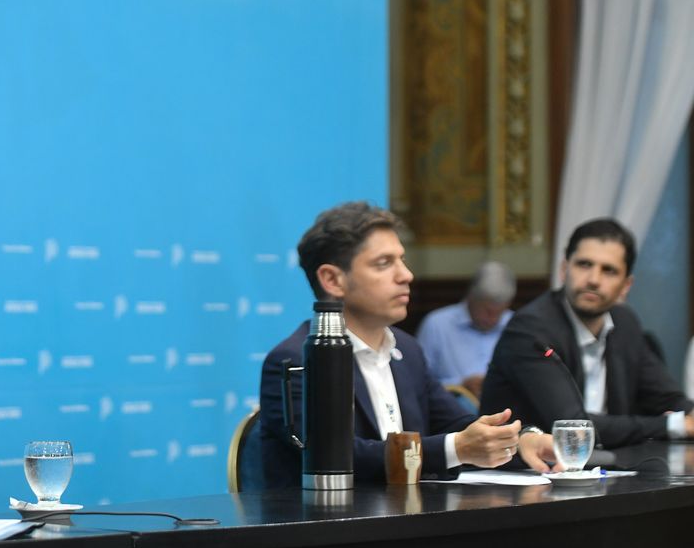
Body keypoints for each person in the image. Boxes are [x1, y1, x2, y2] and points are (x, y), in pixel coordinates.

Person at [258, 202, 554, 486]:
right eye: (384, 264)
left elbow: (457, 424)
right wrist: (456, 449)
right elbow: (341, 456)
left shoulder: (407, 350)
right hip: (331, 530)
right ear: (333, 280)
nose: (406, 275)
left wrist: (523, 438)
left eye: (402, 259)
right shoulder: (296, 359)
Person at [482, 218, 694, 448]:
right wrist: (674, 425)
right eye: (584, 265)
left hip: (607, 467)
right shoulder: (530, 329)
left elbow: (667, 397)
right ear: (564, 270)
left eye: (609, 271)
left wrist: (690, 413)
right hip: (527, 472)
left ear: (626, 286)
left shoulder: (625, 323)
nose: (593, 280)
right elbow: (573, 429)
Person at [416, 261, 516, 396]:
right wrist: (460, 385)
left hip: (506, 410)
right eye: (487, 311)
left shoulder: (516, 325)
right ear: (471, 298)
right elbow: (417, 382)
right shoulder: (436, 324)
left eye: (499, 312)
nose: (492, 318)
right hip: (451, 409)